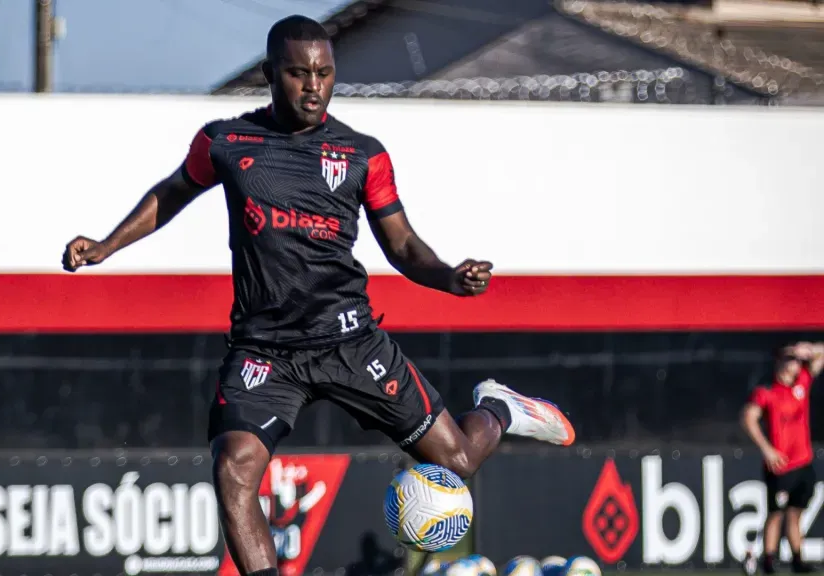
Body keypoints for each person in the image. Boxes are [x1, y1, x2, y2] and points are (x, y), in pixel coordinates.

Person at [62, 15, 575, 576]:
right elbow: (172, 192)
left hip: (350, 342)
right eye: (299, 74)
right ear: (269, 74)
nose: (314, 86)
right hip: (265, 351)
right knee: (233, 469)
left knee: (458, 459)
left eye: (324, 73)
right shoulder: (226, 142)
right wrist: (107, 244)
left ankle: (499, 407)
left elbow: (403, 245)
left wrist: (449, 276)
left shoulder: (361, 155)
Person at [742, 341, 824, 574]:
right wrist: (766, 449)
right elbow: (747, 417)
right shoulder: (767, 391)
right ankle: (768, 559)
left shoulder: (802, 383)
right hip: (780, 465)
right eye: (790, 359)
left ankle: (797, 558)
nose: (795, 364)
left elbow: (822, 354)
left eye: (797, 360)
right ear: (779, 361)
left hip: (803, 462)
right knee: (775, 513)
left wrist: (807, 349)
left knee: (795, 512)